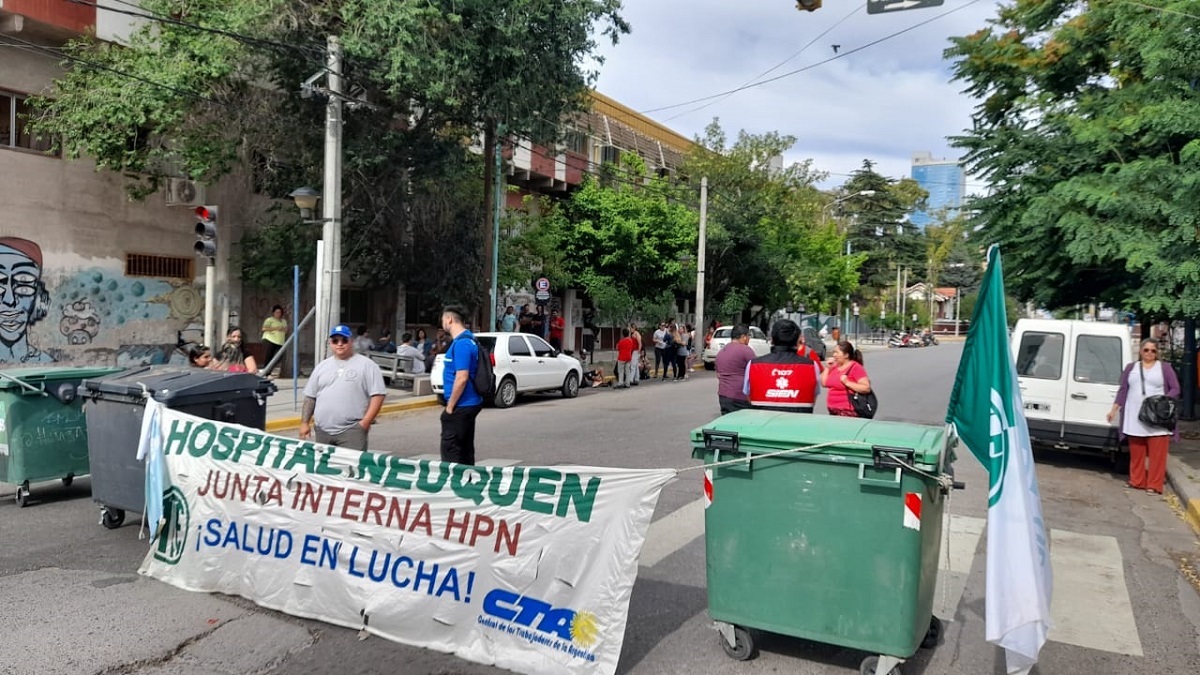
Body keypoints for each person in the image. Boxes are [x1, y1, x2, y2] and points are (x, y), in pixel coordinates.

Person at [1107, 338, 1181, 494]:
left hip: (1157, 417)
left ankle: (1154, 485)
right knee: (1137, 451)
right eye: (1146, 350)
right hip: (1135, 415)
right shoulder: (1131, 368)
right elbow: (1123, 390)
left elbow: (1175, 388)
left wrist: (1163, 402)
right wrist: (1114, 409)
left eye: (1153, 350)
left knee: (1157, 454)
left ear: (1157, 353)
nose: (1149, 353)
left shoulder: (1165, 368)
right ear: (1140, 351)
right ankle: (1137, 480)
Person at [299, 324, 387, 450]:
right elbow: (310, 397)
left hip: (352, 431)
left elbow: (378, 395)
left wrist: (365, 422)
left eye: (344, 340)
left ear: (351, 341)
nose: (340, 344)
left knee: (351, 468)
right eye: (335, 341)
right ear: (330, 343)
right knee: (324, 469)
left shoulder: (367, 365)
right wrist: (304, 423)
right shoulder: (321, 367)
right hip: (322, 431)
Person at [743, 319, 822, 412]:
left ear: (772, 340)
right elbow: (813, 398)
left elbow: (748, 396)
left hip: (763, 423)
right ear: (798, 341)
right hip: (799, 423)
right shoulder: (812, 366)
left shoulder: (753, 365)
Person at [440, 306, 484, 464]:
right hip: (467, 403)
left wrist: (450, 406)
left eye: (443, 319)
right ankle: (468, 480)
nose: (442, 323)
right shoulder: (466, 340)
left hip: (462, 404)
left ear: (449, 319)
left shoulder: (462, 344)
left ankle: (454, 483)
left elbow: (462, 378)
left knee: (451, 449)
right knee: (464, 447)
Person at [823, 341, 871, 417]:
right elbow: (824, 383)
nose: (834, 355)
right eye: (834, 352)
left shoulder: (855, 367)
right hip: (833, 409)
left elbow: (866, 388)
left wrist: (847, 382)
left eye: (837, 352)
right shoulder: (835, 367)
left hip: (848, 411)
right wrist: (828, 368)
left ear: (846, 355)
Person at [715, 325, 755, 414]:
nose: (749, 339)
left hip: (723, 396)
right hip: (740, 397)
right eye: (748, 336)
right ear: (743, 337)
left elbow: (718, 374)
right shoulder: (746, 350)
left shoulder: (722, 351)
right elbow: (756, 373)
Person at [260, 305, 287, 377]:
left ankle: (269, 370)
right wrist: (275, 328)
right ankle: (266, 373)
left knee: (278, 357)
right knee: (269, 356)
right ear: (273, 313)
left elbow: (286, 329)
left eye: (280, 312)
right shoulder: (269, 320)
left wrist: (283, 329)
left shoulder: (283, 321)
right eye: (277, 312)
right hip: (269, 339)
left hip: (280, 341)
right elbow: (264, 328)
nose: (278, 314)